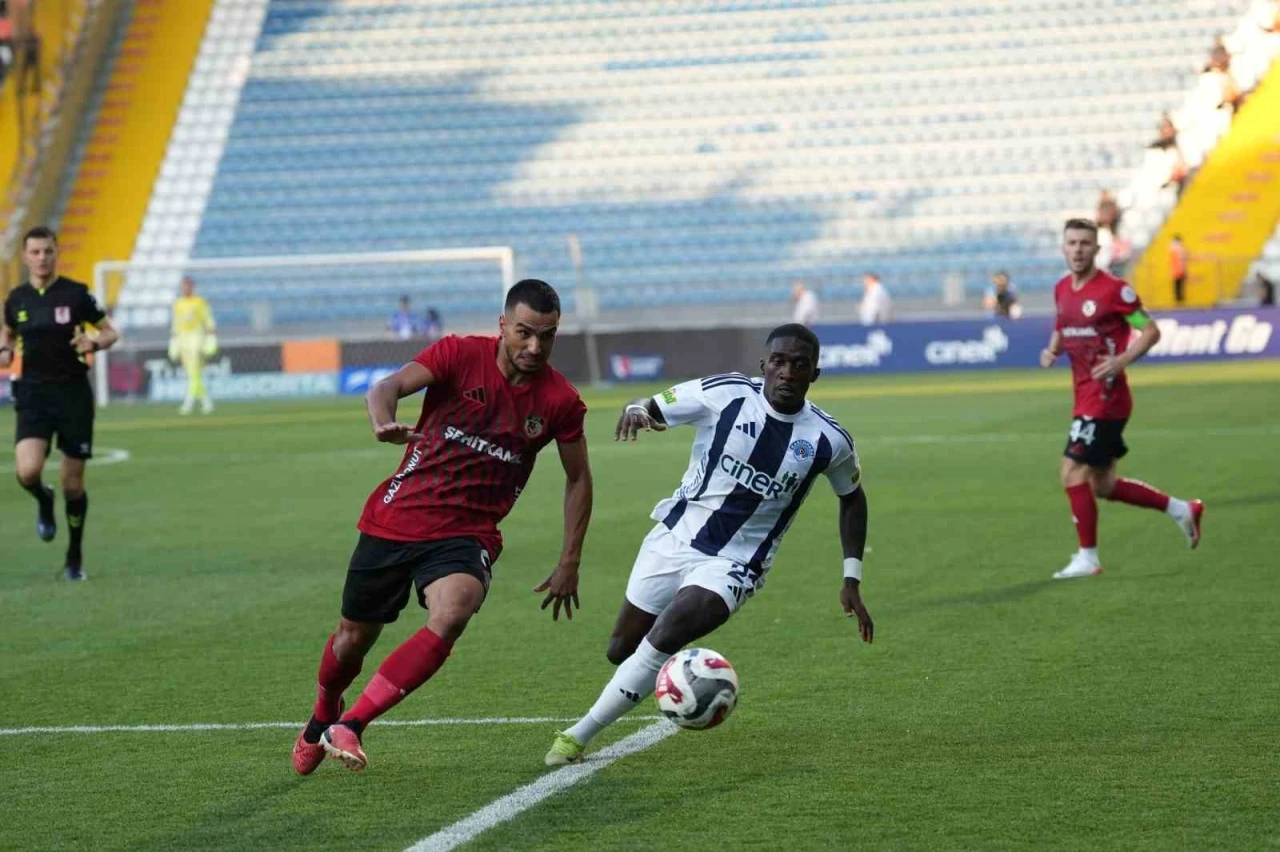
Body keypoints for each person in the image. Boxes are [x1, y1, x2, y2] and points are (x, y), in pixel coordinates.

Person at [292, 278, 593, 775]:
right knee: (351, 640)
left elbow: (578, 478)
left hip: (467, 533)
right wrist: (382, 421)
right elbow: (385, 387)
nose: (535, 347)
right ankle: (325, 711)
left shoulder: (560, 400)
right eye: (524, 333)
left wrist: (570, 560)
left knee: (454, 611)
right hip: (398, 516)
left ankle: (353, 723)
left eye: (547, 336)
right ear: (502, 326)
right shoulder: (458, 354)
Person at [545, 324, 873, 766]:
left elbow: (851, 497)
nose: (787, 372)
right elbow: (651, 405)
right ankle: (676, 671)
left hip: (737, 563)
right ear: (763, 364)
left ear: (814, 374)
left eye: (800, 365)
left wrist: (851, 578)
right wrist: (637, 409)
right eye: (779, 362)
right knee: (621, 650)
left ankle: (574, 738)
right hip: (674, 538)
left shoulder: (829, 440)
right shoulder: (726, 393)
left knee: (667, 632)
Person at [1039, 219, 1203, 580]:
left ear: (1097, 249)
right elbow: (1062, 324)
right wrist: (1053, 349)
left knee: (1071, 471)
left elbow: (1150, 330)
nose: (1078, 249)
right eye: (1072, 243)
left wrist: (1122, 360)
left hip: (1106, 398)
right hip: (1084, 396)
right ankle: (1182, 510)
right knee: (1103, 485)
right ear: (1063, 247)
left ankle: (1088, 558)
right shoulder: (1061, 289)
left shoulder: (1115, 291)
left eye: (1085, 243)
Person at [0, 226, 121, 581]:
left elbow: (111, 332)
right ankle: (43, 498)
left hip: (72, 396)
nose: (42, 258)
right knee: (27, 472)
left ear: (56, 253)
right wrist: (5, 349)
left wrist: (93, 343)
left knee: (73, 485)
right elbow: (8, 332)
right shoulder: (17, 298)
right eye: (35, 252)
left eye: (48, 251)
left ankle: (74, 559)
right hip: (34, 395)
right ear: (25, 257)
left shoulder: (76, 294)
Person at [168, 277, 217, 414]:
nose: (186, 289)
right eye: (184, 286)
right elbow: (176, 323)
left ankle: (188, 403)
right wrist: (174, 341)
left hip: (196, 337)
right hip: (182, 338)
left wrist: (210, 337)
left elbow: (208, 319)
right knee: (192, 373)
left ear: (193, 287)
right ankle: (206, 402)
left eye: (188, 286)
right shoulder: (177, 304)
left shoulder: (200, 302)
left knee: (194, 370)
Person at [1169, 236, 1189, 305]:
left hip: (1179, 270)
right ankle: (1179, 300)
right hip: (1178, 270)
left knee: (1179, 285)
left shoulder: (1175, 249)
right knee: (1178, 285)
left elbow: (1183, 259)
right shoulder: (1176, 249)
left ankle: (1179, 299)